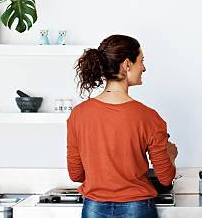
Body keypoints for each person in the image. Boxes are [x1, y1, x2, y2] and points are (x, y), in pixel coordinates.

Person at [67, 34, 178, 218]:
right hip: (138, 208)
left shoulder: (78, 115)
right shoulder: (148, 117)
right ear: (127, 65)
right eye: (141, 61)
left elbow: (76, 174)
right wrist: (171, 156)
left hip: (94, 209)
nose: (144, 68)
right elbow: (165, 178)